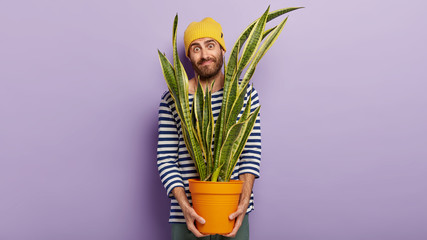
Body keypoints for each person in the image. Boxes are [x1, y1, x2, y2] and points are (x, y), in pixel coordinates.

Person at [157, 17, 261, 240]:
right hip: (186, 216)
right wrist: (184, 206)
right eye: (196, 48)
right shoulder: (173, 99)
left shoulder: (245, 94)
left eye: (210, 45)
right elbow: (166, 159)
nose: (204, 55)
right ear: (188, 56)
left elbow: (250, 154)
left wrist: (243, 204)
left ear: (222, 49)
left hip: (234, 214)